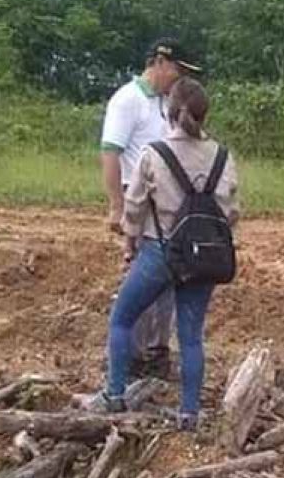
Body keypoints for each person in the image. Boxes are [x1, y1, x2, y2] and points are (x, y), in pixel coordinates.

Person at [96, 78, 240, 431]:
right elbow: (232, 212)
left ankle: (114, 395)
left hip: (159, 252)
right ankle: (188, 414)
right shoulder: (224, 157)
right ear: (204, 115)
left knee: (122, 319)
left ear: (171, 113)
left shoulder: (153, 154)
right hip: (203, 258)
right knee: (191, 337)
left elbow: (134, 208)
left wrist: (130, 243)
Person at [100, 37, 202, 380]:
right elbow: (110, 152)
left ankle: (156, 351)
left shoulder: (165, 103)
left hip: (168, 205)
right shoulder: (128, 101)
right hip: (139, 199)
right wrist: (117, 206)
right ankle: (133, 357)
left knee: (168, 279)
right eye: (177, 69)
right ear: (159, 62)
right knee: (141, 280)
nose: (179, 78)